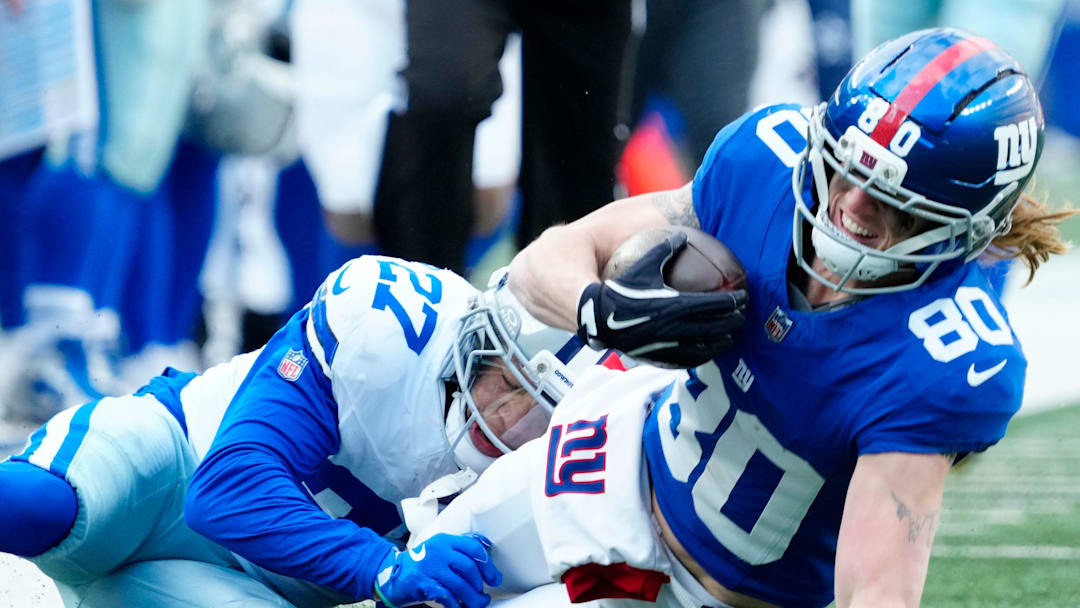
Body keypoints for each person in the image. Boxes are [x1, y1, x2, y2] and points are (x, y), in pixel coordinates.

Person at [411, 28, 1077, 607]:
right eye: (844, 168)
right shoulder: (765, 165)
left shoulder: (942, 357)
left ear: (961, 228)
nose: (849, 206)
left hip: (702, 595)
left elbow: (877, 594)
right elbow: (547, 261)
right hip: (607, 461)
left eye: (891, 201)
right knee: (415, 582)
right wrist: (602, 309)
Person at [0, 256, 610, 607]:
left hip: (257, 589)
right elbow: (226, 490)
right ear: (476, 336)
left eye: (538, 412)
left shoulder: (570, 471)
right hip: (176, 457)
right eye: (501, 377)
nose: (503, 417)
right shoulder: (389, 323)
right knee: (48, 503)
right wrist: (386, 567)